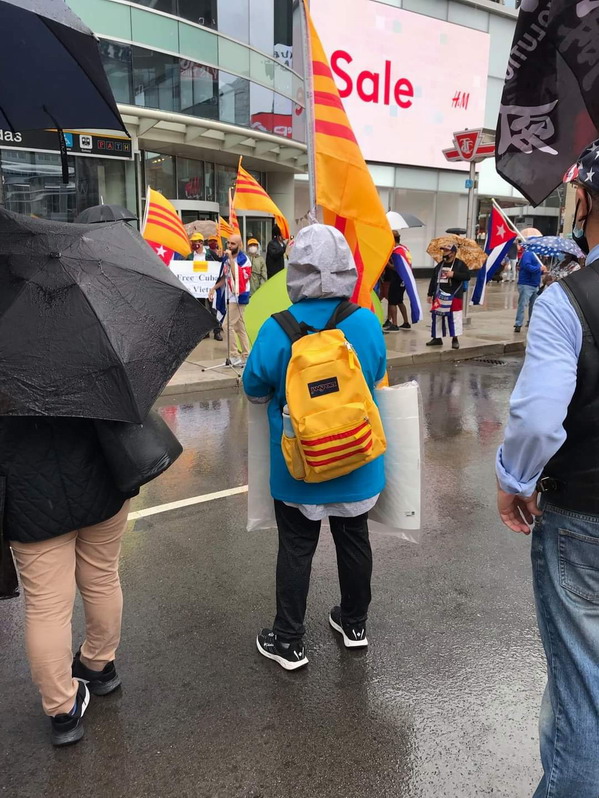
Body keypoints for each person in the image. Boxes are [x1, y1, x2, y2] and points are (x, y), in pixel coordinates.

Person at [496, 139, 599, 797]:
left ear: (583, 199)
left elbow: (536, 422)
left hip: (584, 518)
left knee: (582, 685)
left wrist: (513, 480)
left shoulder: (569, 302)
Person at [243, 224, 386, 670]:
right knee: (354, 540)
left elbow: (253, 389)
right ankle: (354, 624)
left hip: (299, 466)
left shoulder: (276, 328)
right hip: (357, 457)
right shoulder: (365, 321)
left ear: (295, 270)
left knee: (296, 547)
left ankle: (288, 641)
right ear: (346, 269)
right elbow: (377, 373)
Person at [2, 417, 136, 745]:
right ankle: (99, 666)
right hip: (99, 476)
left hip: (28, 494)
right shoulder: (86, 379)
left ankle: (63, 708)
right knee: (103, 577)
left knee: (46, 607)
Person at [208, 233, 252, 365]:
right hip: (230, 296)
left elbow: (237, 275)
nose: (229, 245)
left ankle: (234, 355)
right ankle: (246, 355)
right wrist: (213, 288)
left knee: (227, 325)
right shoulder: (226, 259)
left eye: (233, 243)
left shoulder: (244, 260)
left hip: (239, 296)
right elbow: (225, 277)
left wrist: (231, 259)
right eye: (228, 243)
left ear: (240, 245)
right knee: (239, 327)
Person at [426, 244, 470, 349]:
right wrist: (430, 294)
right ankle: (437, 338)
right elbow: (433, 279)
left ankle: (455, 339)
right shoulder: (440, 265)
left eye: (446, 251)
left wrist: (454, 274)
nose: (444, 253)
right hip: (439, 295)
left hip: (454, 296)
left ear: (453, 253)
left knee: (455, 317)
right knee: (437, 316)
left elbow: (467, 276)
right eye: (444, 250)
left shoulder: (460, 264)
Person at [187, 232, 223, 341]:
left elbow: (220, 264)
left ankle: (217, 331)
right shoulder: (190, 256)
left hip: (210, 287)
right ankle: (205, 332)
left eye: (195, 242)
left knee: (213, 309)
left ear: (201, 243)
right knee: (201, 310)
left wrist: (221, 256)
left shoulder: (210, 254)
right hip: (197, 289)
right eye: (192, 242)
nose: (193, 244)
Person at [382, 232, 412, 332]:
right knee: (399, 301)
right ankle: (406, 322)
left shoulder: (396, 251)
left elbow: (397, 267)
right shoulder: (404, 249)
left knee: (392, 301)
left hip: (397, 278)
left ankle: (394, 324)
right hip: (403, 279)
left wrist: (387, 263)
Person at [514, 247, 545, 332]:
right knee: (523, 304)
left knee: (534, 305)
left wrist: (542, 271)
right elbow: (527, 266)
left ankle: (531, 322)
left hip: (535, 284)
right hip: (526, 284)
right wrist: (539, 269)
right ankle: (518, 323)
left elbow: (537, 270)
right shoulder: (528, 254)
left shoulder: (537, 256)